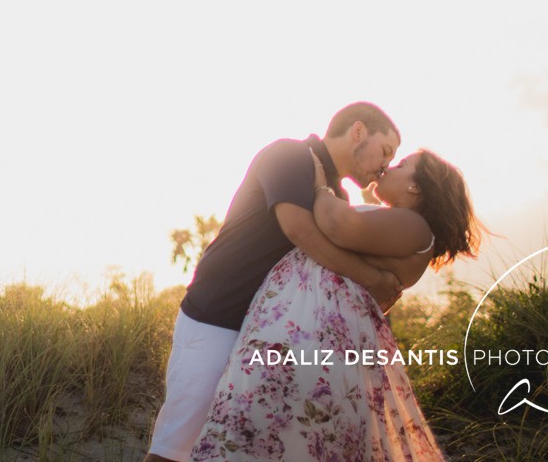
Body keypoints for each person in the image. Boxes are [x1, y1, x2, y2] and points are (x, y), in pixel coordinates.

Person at [145, 102, 405, 462]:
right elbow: (298, 229)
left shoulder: (336, 197)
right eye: (386, 150)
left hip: (268, 343)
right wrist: (371, 278)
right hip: (218, 319)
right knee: (176, 448)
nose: (385, 164)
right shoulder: (290, 154)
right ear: (358, 131)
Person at [189, 147, 482, 462]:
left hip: (311, 340)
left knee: (261, 432)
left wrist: (319, 183)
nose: (390, 167)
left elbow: (333, 221)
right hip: (304, 334)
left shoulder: (416, 227)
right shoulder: (398, 224)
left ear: (415, 187)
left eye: (402, 164)